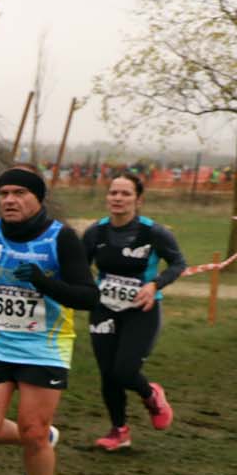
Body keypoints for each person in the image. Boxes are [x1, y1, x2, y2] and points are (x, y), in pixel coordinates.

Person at [0, 166, 98, 475]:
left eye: (20, 193)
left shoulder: (62, 239)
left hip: (44, 347)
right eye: (4, 193)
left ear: (39, 199)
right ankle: (43, 439)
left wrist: (42, 281)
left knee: (32, 430)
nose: (10, 199)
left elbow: (87, 296)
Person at [82, 171, 183, 450]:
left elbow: (178, 263)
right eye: (113, 192)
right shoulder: (95, 232)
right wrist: (87, 290)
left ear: (138, 200)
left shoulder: (154, 232)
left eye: (125, 193)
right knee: (107, 373)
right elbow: (79, 267)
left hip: (142, 310)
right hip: (105, 309)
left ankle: (151, 395)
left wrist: (154, 284)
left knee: (125, 371)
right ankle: (119, 431)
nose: (118, 198)